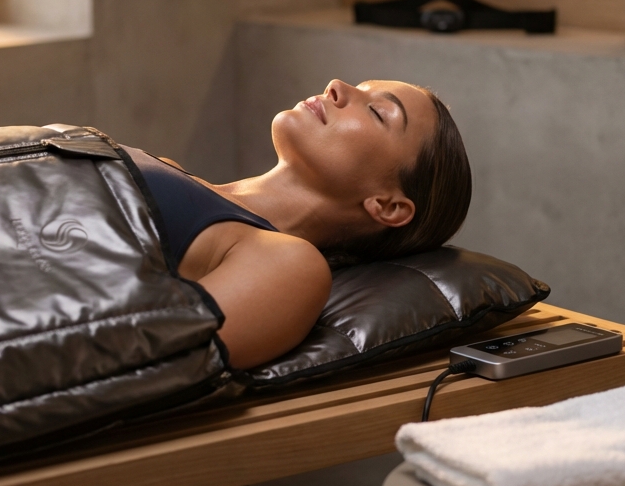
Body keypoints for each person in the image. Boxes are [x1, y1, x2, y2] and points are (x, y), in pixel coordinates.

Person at [133, 79, 472, 369]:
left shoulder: (289, 265)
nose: (336, 86)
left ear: (388, 206)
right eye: (358, 86)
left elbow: (144, 357)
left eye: (377, 111)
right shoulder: (169, 167)